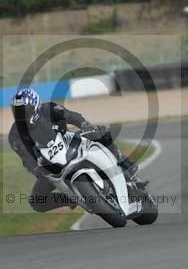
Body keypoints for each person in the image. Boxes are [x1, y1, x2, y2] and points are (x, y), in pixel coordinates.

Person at [8, 87, 147, 212]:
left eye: (24, 111)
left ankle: (125, 165)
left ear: (35, 107)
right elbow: (26, 157)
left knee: (99, 132)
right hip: (50, 166)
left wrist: (83, 124)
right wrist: (38, 171)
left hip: (70, 144)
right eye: (17, 112)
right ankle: (71, 198)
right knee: (36, 201)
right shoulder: (15, 135)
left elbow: (69, 115)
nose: (21, 116)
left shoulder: (48, 109)